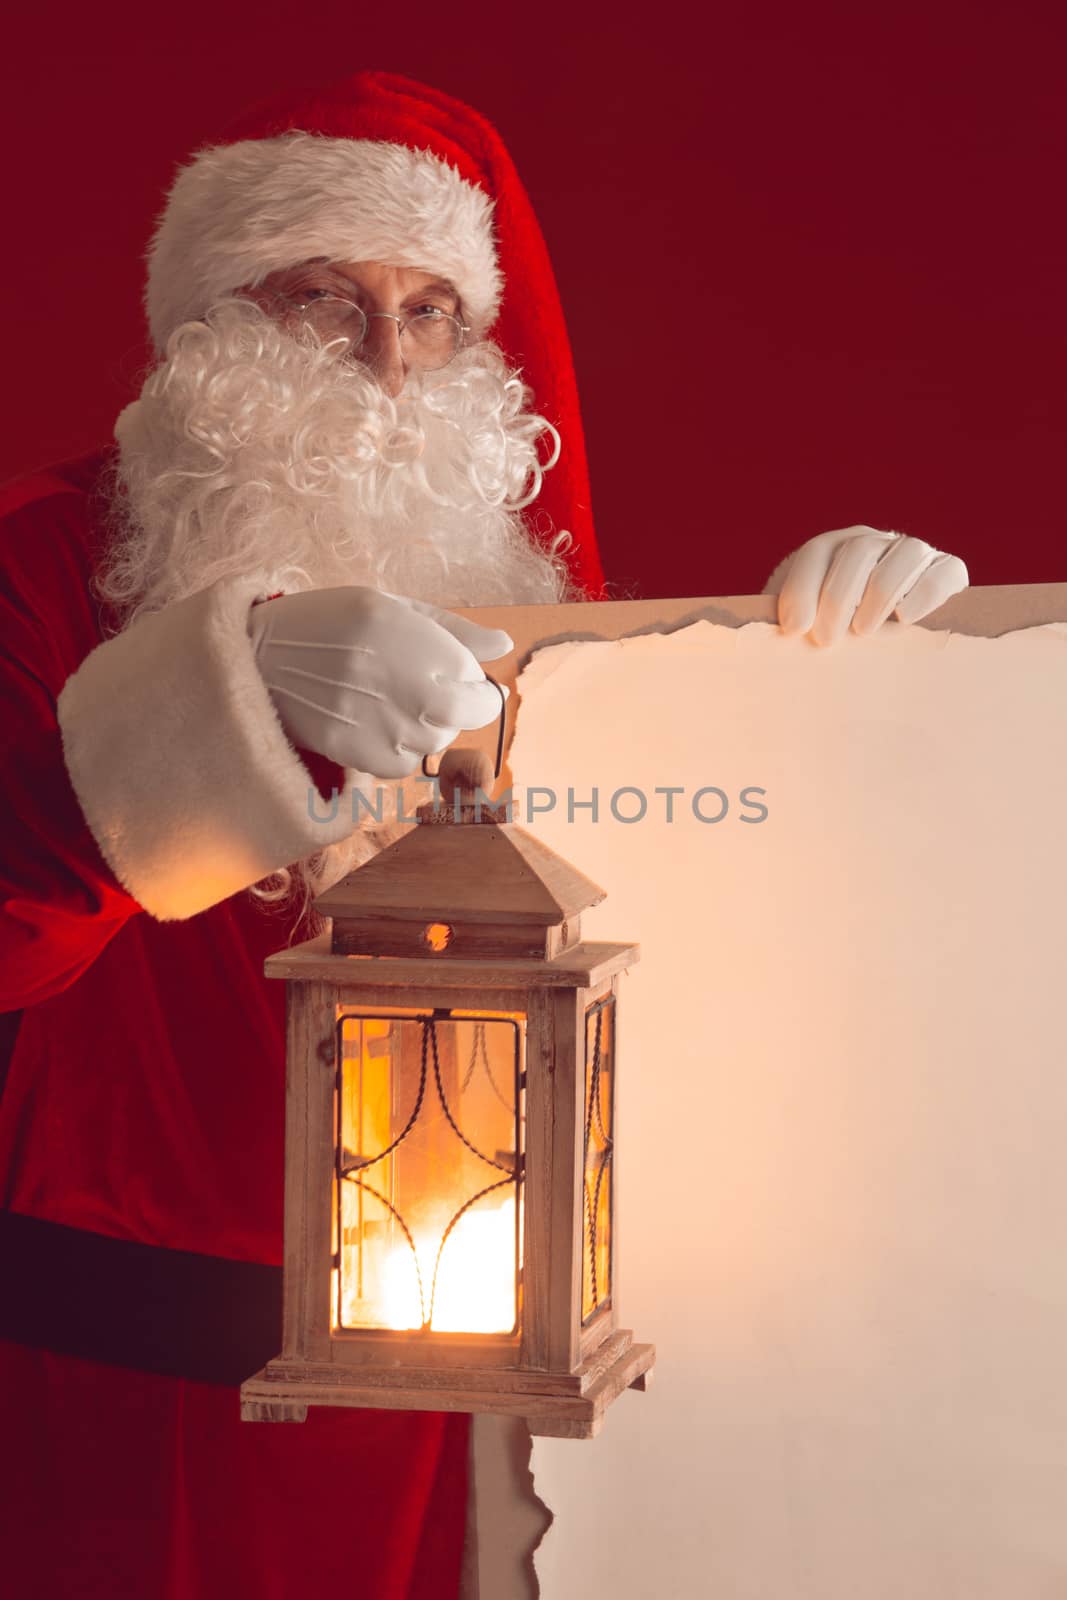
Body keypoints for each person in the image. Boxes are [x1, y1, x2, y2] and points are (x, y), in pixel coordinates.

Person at [0, 70, 968, 1600]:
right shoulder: (49, 554)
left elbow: (689, 929)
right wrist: (213, 710)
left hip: (493, 1392)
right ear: (213, 326)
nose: (389, 355)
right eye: (324, 298)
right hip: (145, 1393)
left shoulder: (513, 570)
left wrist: (865, 688)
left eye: (434, 308)